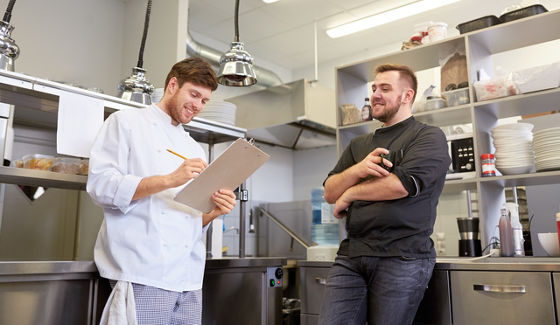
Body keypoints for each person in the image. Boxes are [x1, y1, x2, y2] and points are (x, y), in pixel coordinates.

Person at [87, 57, 237, 324]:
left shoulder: (193, 147)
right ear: (172, 85)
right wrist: (169, 179)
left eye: (204, 101)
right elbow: (101, 186)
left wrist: (213, 212)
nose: (198, 106)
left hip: (189, 278)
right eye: (194, 95)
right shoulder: (126, 123)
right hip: (143, 272)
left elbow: (186, 222)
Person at [319, 64, 451, 325]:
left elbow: (401, 185)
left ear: (407, 96)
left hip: (402, 256)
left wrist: (352, 193)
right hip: (351, 256)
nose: (375, 94)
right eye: (374, 88)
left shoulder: (427, 136)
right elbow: (330, 192)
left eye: (385, 88)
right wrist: (358, 169)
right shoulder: (358, 145)